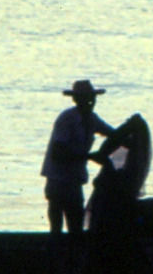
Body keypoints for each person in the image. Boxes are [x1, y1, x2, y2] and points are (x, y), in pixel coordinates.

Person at [40, 80, 114, 237]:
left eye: (91, 98)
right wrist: (89, 156)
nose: (90, 102)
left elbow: (111, 133)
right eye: (85, 98)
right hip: (58, 179)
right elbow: (58, 152)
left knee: (76, 226)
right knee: (57, 227)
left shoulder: (92, 119)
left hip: (74, 180)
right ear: (76, 100)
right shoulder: (67, 119)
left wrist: (131, 132)